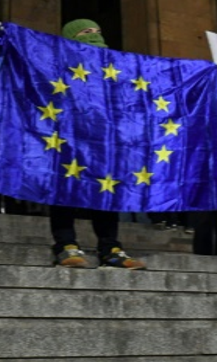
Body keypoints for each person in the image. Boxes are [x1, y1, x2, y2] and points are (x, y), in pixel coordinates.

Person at [49, 19, 146, 270]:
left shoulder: (113, 67)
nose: (94, 36)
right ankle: (65, 244)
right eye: (86, 32)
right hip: (68, 137)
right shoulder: (56, 64)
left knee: (106, 189)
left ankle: (110, 247)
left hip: (103, 141)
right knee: (65, 188)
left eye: (97, 31)